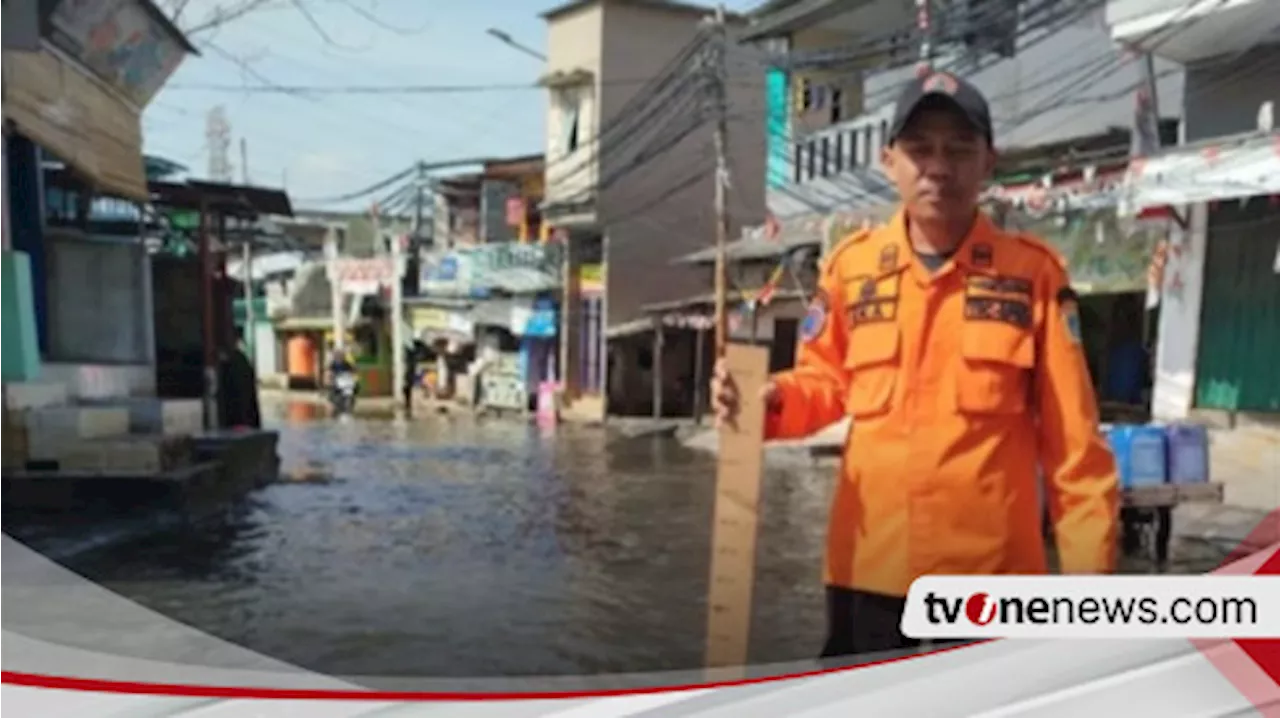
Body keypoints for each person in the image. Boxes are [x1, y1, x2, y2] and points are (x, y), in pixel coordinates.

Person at [711, 71, 1120, 659]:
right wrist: (767, 399)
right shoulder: (852, 270)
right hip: (869, 565)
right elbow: (825, 384)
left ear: (988, 164)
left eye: (959, 149)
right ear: (888, 161)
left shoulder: (1032, 277)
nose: (938, 166)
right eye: (919, 149)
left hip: (990, 578)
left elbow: (1075, 452)